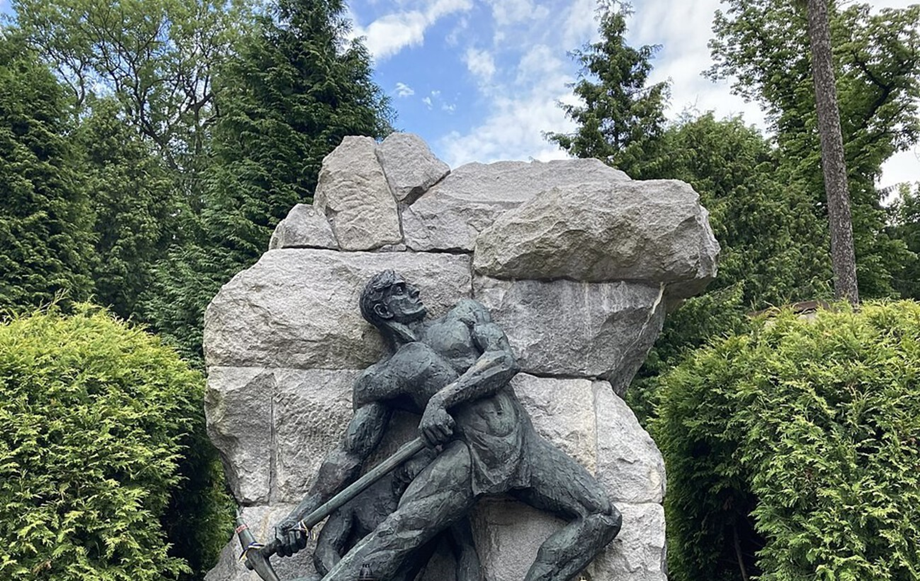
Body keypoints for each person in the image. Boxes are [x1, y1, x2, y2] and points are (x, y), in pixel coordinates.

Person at [275, 270, 621, 581]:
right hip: (466, 459)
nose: (413, 290)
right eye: (400, 289)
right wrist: (300, 517)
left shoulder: (465, 315)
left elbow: (503, 360)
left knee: (602, 516)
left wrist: (441, 400)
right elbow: (350, 453)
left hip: (523, 447)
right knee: (394, 535)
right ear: (383, 310)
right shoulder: (381, 377)